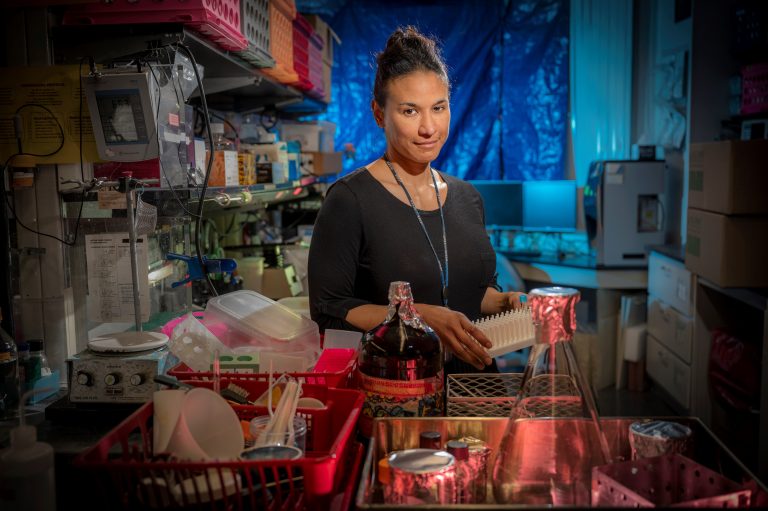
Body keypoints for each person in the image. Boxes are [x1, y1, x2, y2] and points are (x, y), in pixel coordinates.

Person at [308, 26, 525, 373]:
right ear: (379, 114)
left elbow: (469, 292)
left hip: (477, 387)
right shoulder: (350, 199)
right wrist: (416, 316)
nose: (429, 127)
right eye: (410, 111)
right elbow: (329, 308)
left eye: (438, 108)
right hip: (397, 389)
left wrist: (505, 302)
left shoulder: (467, 198)